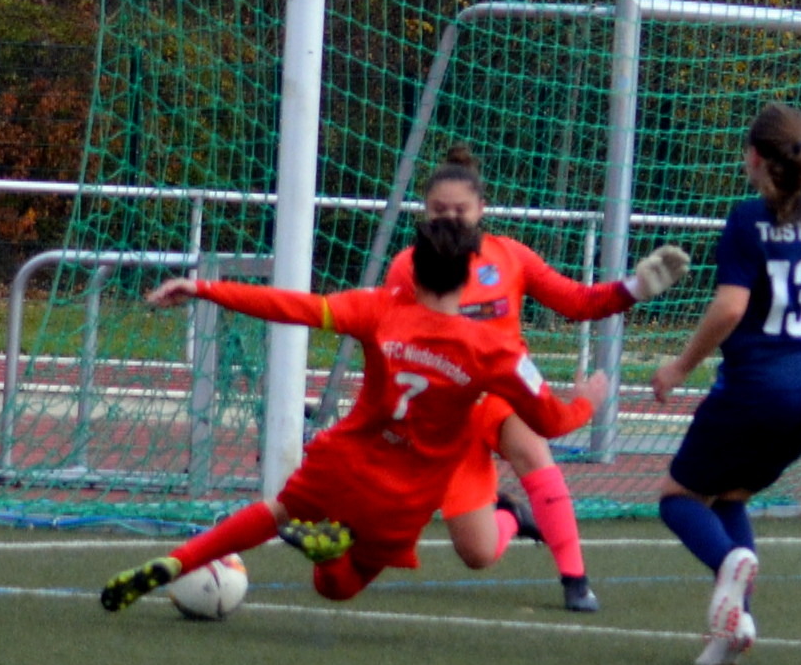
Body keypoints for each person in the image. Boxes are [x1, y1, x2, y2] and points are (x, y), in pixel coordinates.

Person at [99, 217, 607, 612]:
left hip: (343, 460)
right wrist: (588, 399)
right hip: (403, 497)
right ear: (469, 271)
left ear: (414, 266)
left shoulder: (378, 309)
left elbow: (293, 306)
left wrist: (206, 289)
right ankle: (333, 553)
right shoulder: (495, 352)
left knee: (278, 512)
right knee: (335, 588)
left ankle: (181, 559)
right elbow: (552, 423)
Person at [381, 146, 690, 612]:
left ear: (481, 210)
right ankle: (509, 516)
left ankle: (575, 579)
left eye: (459, 210)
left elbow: (578, 301)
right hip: (445, 416)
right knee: (479, 554)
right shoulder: (406, 267)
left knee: (533, 454)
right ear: (424, 213)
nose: (449, 218)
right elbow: (389, 339)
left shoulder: (509, 257)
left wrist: (636, 287)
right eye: (438, 210)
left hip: (504, 394)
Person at [650, 102, 801, 665]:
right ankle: (736, 629)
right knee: (731, 494)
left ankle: (730, 566)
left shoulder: (746, 220)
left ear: (754, 158)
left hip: (755, 389)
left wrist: (679, 367)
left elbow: (730, 309)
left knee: (676, 498)